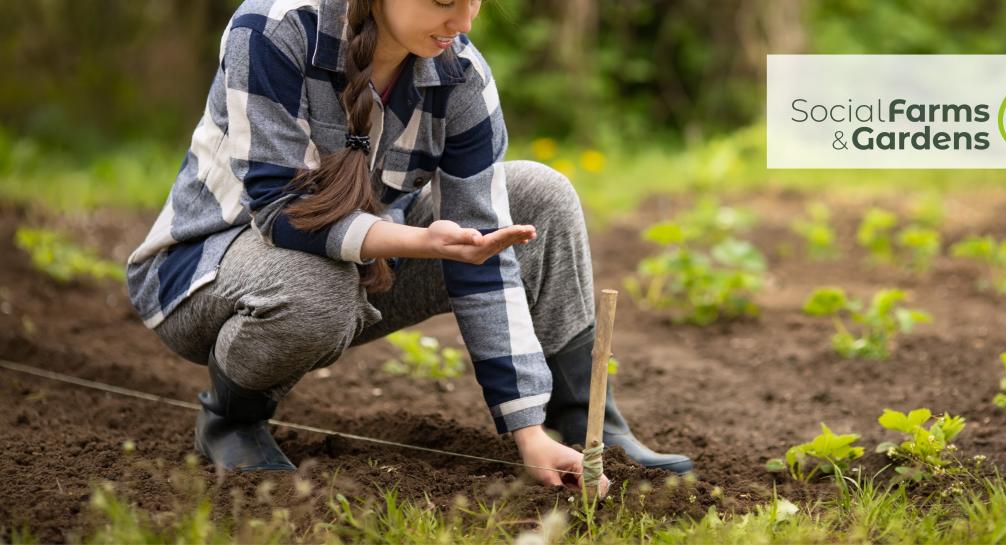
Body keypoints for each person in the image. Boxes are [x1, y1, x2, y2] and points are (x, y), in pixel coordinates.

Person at [125, 0, 693, 492]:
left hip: (358, 274)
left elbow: (485, 255)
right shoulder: (274, 29)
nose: (463, 20)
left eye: (476, 1)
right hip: (205, 274)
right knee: (316, 287)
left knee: (540, 193)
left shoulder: (460, 75)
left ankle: (588, 424)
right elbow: (281, 212)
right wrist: (421, 240)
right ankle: (232, 419)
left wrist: (527, 433)